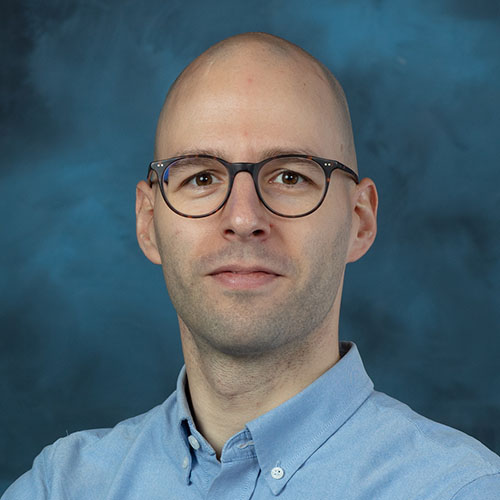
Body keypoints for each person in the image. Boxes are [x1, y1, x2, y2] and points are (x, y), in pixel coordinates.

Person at [3, 32, 499, 500]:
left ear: (359, 220)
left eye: (289, 175)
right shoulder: (63, 486)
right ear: (149, 222)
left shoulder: (460, 489)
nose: (243, 218)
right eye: (201, 178)